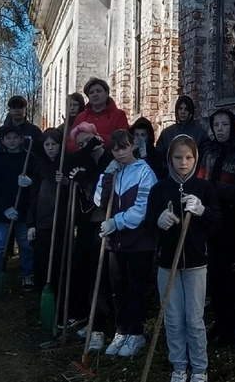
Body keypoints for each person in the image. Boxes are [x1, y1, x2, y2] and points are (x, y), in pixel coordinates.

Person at [146, 135, 221, 382]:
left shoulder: (204, 188)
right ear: (169, 159)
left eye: (188, 157)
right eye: (178, 157)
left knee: (194, 319)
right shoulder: (159, 189)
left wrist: (202, 211)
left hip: (196, 263)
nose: (183, 163)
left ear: (195, 158)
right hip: (167, 263)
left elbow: (217, 224)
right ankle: (179, 366)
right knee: (172, 317)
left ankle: (199, 368)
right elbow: (148, 224)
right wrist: (158, 221)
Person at [94, 129, 157, 358]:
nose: (120, 153)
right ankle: (121, 330)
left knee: (135, 289)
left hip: (138, 242)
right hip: (116, 243)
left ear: (133, 146)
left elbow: (142, 208)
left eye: (124, 147)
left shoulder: (144, 172)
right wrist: (108, 175)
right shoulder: (114, 171)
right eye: (115, 149)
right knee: (118, 288)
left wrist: (116, 222)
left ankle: (136, 332)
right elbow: (99, 200)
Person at [198, 109, 235, 345]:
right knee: (215, 273)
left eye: (224, 125)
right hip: (211, 222)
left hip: (233, 222)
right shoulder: (209, 152)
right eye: (216, 125)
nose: (220, 129)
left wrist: (216, 189)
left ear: (232, 127)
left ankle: (230, 324)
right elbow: (200, 180)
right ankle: (218, 321)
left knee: (230, 274)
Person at [65, 122, 114, 348]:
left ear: (97, 137)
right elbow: (71, 166)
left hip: (106, 221)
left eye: (88, 140)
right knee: (83, 268)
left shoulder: (109, 160)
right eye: (81, 144)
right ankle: (90, 317)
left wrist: (87, 178)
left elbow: (102, 190)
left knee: (100, 274)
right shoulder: (82, 160)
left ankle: (100, 327)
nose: (86, 146)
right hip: (86, 223)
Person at [0, 126, 35, 290]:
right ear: (2, 141)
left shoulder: (30, 159)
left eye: (15, 137)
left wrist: (31, 183)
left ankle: (27, 274)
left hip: (24, 211)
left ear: (21, 140)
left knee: (26, 245)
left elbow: (38, 182)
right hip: (3, 212)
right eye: (8, 138)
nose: (12, 141)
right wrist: (5, 208)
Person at [27, 128, 68, 299]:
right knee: (42, 257)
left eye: (54, 144)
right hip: (42, 219)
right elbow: (33, 195)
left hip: (62, 221)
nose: (50, 148)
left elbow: (75, 192)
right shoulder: (40, 166)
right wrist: (31, 224)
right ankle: (43, 293)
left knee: (59, 258)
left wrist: (66, 182)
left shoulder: (66, 163)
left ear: (61, 145)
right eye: (47, 144)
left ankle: (60, 293)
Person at [69, 78, 129, 153]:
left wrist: (98, 138)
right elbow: (70, 143)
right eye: (91, 93)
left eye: (98, 91)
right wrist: (82, 146)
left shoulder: (119, 115)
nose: (95, 95)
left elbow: (122, 140)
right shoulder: (81, 117)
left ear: (106, 93)